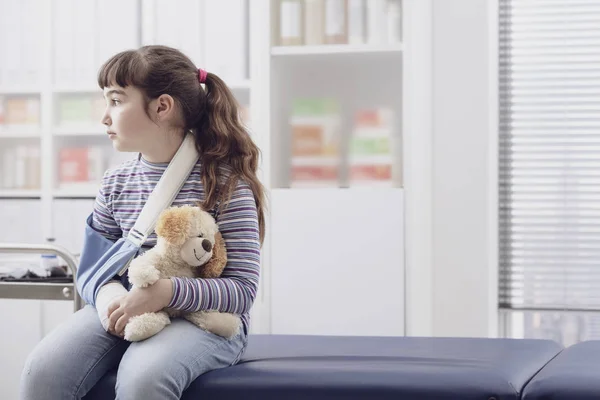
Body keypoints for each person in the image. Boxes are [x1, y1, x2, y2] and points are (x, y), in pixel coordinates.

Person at [19, 45, 265, 400]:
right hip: (128, 307)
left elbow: (241, 292)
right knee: (41, 373)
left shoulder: (225, 184)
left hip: (207, 319)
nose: (105, 117)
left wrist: (164, 293)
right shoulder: (115, 183)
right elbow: (91, 272)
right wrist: (114, 302)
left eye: (116, 101)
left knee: (143, 379)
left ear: (162, 107)